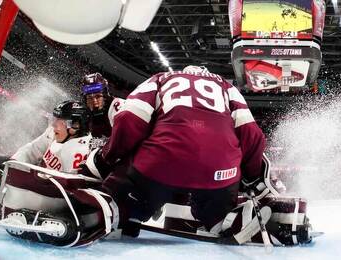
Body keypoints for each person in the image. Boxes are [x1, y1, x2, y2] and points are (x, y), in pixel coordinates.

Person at [90, 65, 266, 233]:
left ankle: (111, 212)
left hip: (160, 164)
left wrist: (108, 157)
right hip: (220, 172)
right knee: (216, 201)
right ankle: (221, 221)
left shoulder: (161, 78)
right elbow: (252, 134)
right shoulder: (226, 86)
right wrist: (251, 175)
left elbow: (129, 119)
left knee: (125, 189)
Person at [0, 100, 90, 207]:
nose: (53, 124)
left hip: (43, 195)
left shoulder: (79, 151)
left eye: (60, 122)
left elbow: (66, 194)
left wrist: (16, 179)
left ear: (75, 126)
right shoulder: (55, 132)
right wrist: (11, 167)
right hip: (34, 177)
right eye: (55, 119)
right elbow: (32, 150)